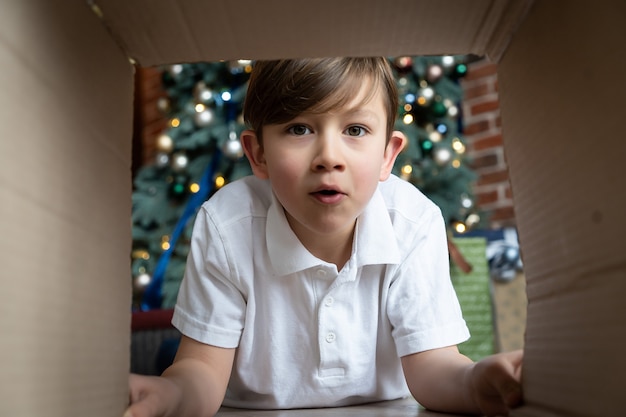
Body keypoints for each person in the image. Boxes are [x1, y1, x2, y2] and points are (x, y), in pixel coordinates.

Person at [125, 57, 523, 417]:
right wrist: (172, 395)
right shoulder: (227, 224)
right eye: (299, 128)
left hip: (384, 411)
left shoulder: (413, 223)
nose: (329, 157)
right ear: (258, 154)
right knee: (170, 357)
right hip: (250, 412)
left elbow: (433, 366)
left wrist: (474, 381)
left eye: (355, 129)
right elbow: (202, 371)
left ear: (388, 154)